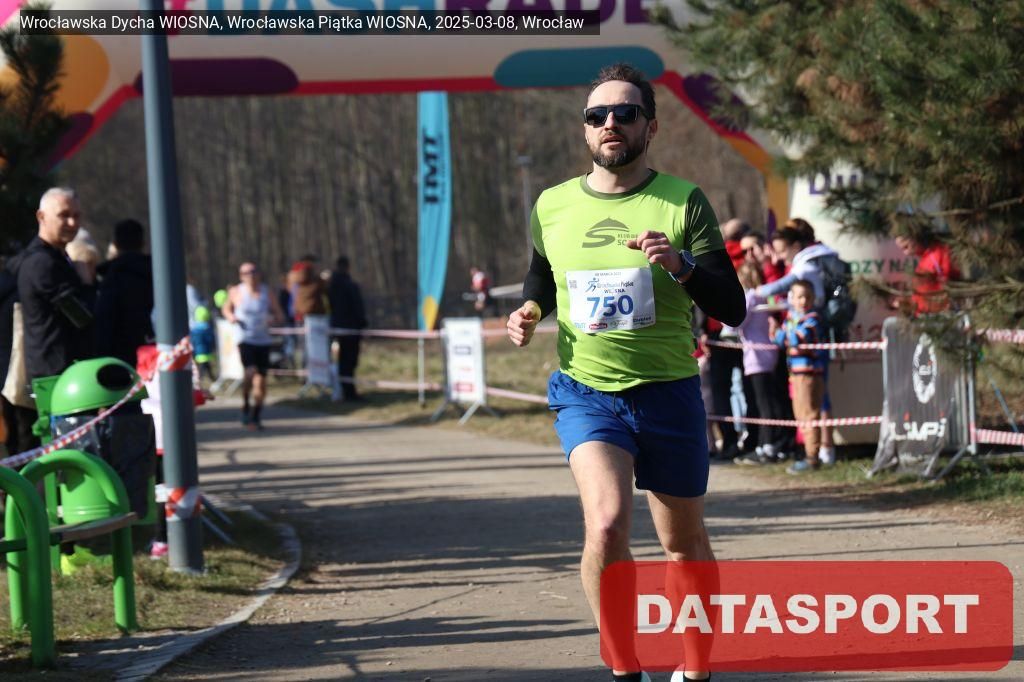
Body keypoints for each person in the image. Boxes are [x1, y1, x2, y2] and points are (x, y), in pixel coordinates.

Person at [506, 63, 744, 682]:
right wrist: (530, 309)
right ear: (586, 130)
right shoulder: (552, 204)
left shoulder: (683, 201)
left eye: (625, 113)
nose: (610, 123)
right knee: (607, 523)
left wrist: (683, 266)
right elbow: (542, 275)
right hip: (587, 392)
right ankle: (624, 665)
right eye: (597, 115)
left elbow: (733, 306)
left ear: (650, 127)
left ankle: (696, 667)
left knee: (681, 544)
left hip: (668, 391)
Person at [755, 222, 838, 466]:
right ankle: (818, 451)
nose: (780, 257)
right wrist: (779, 334)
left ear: (796, 245)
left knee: (816, 404)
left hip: (810, 362)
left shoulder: (806, 266)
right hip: (800, 365)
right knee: (807, 407)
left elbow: (778, 287)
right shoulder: (809, 263)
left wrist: (754, 292)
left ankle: (820, 452)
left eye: (782, 251)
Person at [8, 187, 93, 383]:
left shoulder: (55, 258)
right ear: (41, 217)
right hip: (56, 377)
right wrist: (87, 284)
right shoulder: (43, 263)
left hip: (64, 373)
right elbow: (81, 317)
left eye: (76, 216)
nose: (72, 223)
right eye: (64, 215)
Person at [732, 264, 794, 465]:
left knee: (763, 403)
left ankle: (767, 445)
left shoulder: (749, 297)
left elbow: (736, 322)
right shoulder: (764, 297)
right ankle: (778, 442)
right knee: (772, 400)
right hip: (769, 352)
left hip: (756, 356)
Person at [772, 280, 828, 474]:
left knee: (809, 414)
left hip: (809, 375)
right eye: (799, 297)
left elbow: (798, 338)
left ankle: (812, 457)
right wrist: (781, 334)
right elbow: (781, 340)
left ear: (813, 299)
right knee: (800, 415)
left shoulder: (812, 320)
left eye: (807, 297)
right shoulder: (792, 319)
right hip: (795, 374)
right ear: (792, 299)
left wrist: (782, 333)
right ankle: (808, 454)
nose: (803, 301)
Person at [222, 262, 284, 429]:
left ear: (259, 274)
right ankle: (245, 404)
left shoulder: (266, 292)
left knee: (261, 381)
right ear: (241, 276)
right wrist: (231, 317)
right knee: (250, 372)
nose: (250, 275)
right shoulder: (236, 291)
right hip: (245, 339)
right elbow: (226, 309)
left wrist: (274, 319)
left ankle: (255, 415)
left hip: (263, 340)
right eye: (246, 273)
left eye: (253, 272)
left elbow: (279, 314)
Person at [95, 219, 154, 367]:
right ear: (143, 243)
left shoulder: (111, 278)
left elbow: (104, 322)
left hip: (120, 361)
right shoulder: (157, 275)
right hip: (154, 355)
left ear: (115, 245)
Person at [327, 255, 368, 401]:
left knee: (341, 361)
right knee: (349, 361)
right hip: (351, 329)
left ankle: (344, 389)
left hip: (337, 328)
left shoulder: (330, 287)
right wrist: (362, 323)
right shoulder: (350, 285)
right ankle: (349, 391)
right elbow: (357, 307)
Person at [894, 227, 960, 315]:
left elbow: (946, 285)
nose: (906, 253)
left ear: (915, 239)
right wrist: (907, 302)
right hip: (928, 313)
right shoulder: (924, 261)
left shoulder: (935, 255)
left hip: (940, 313)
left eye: (906, 247)